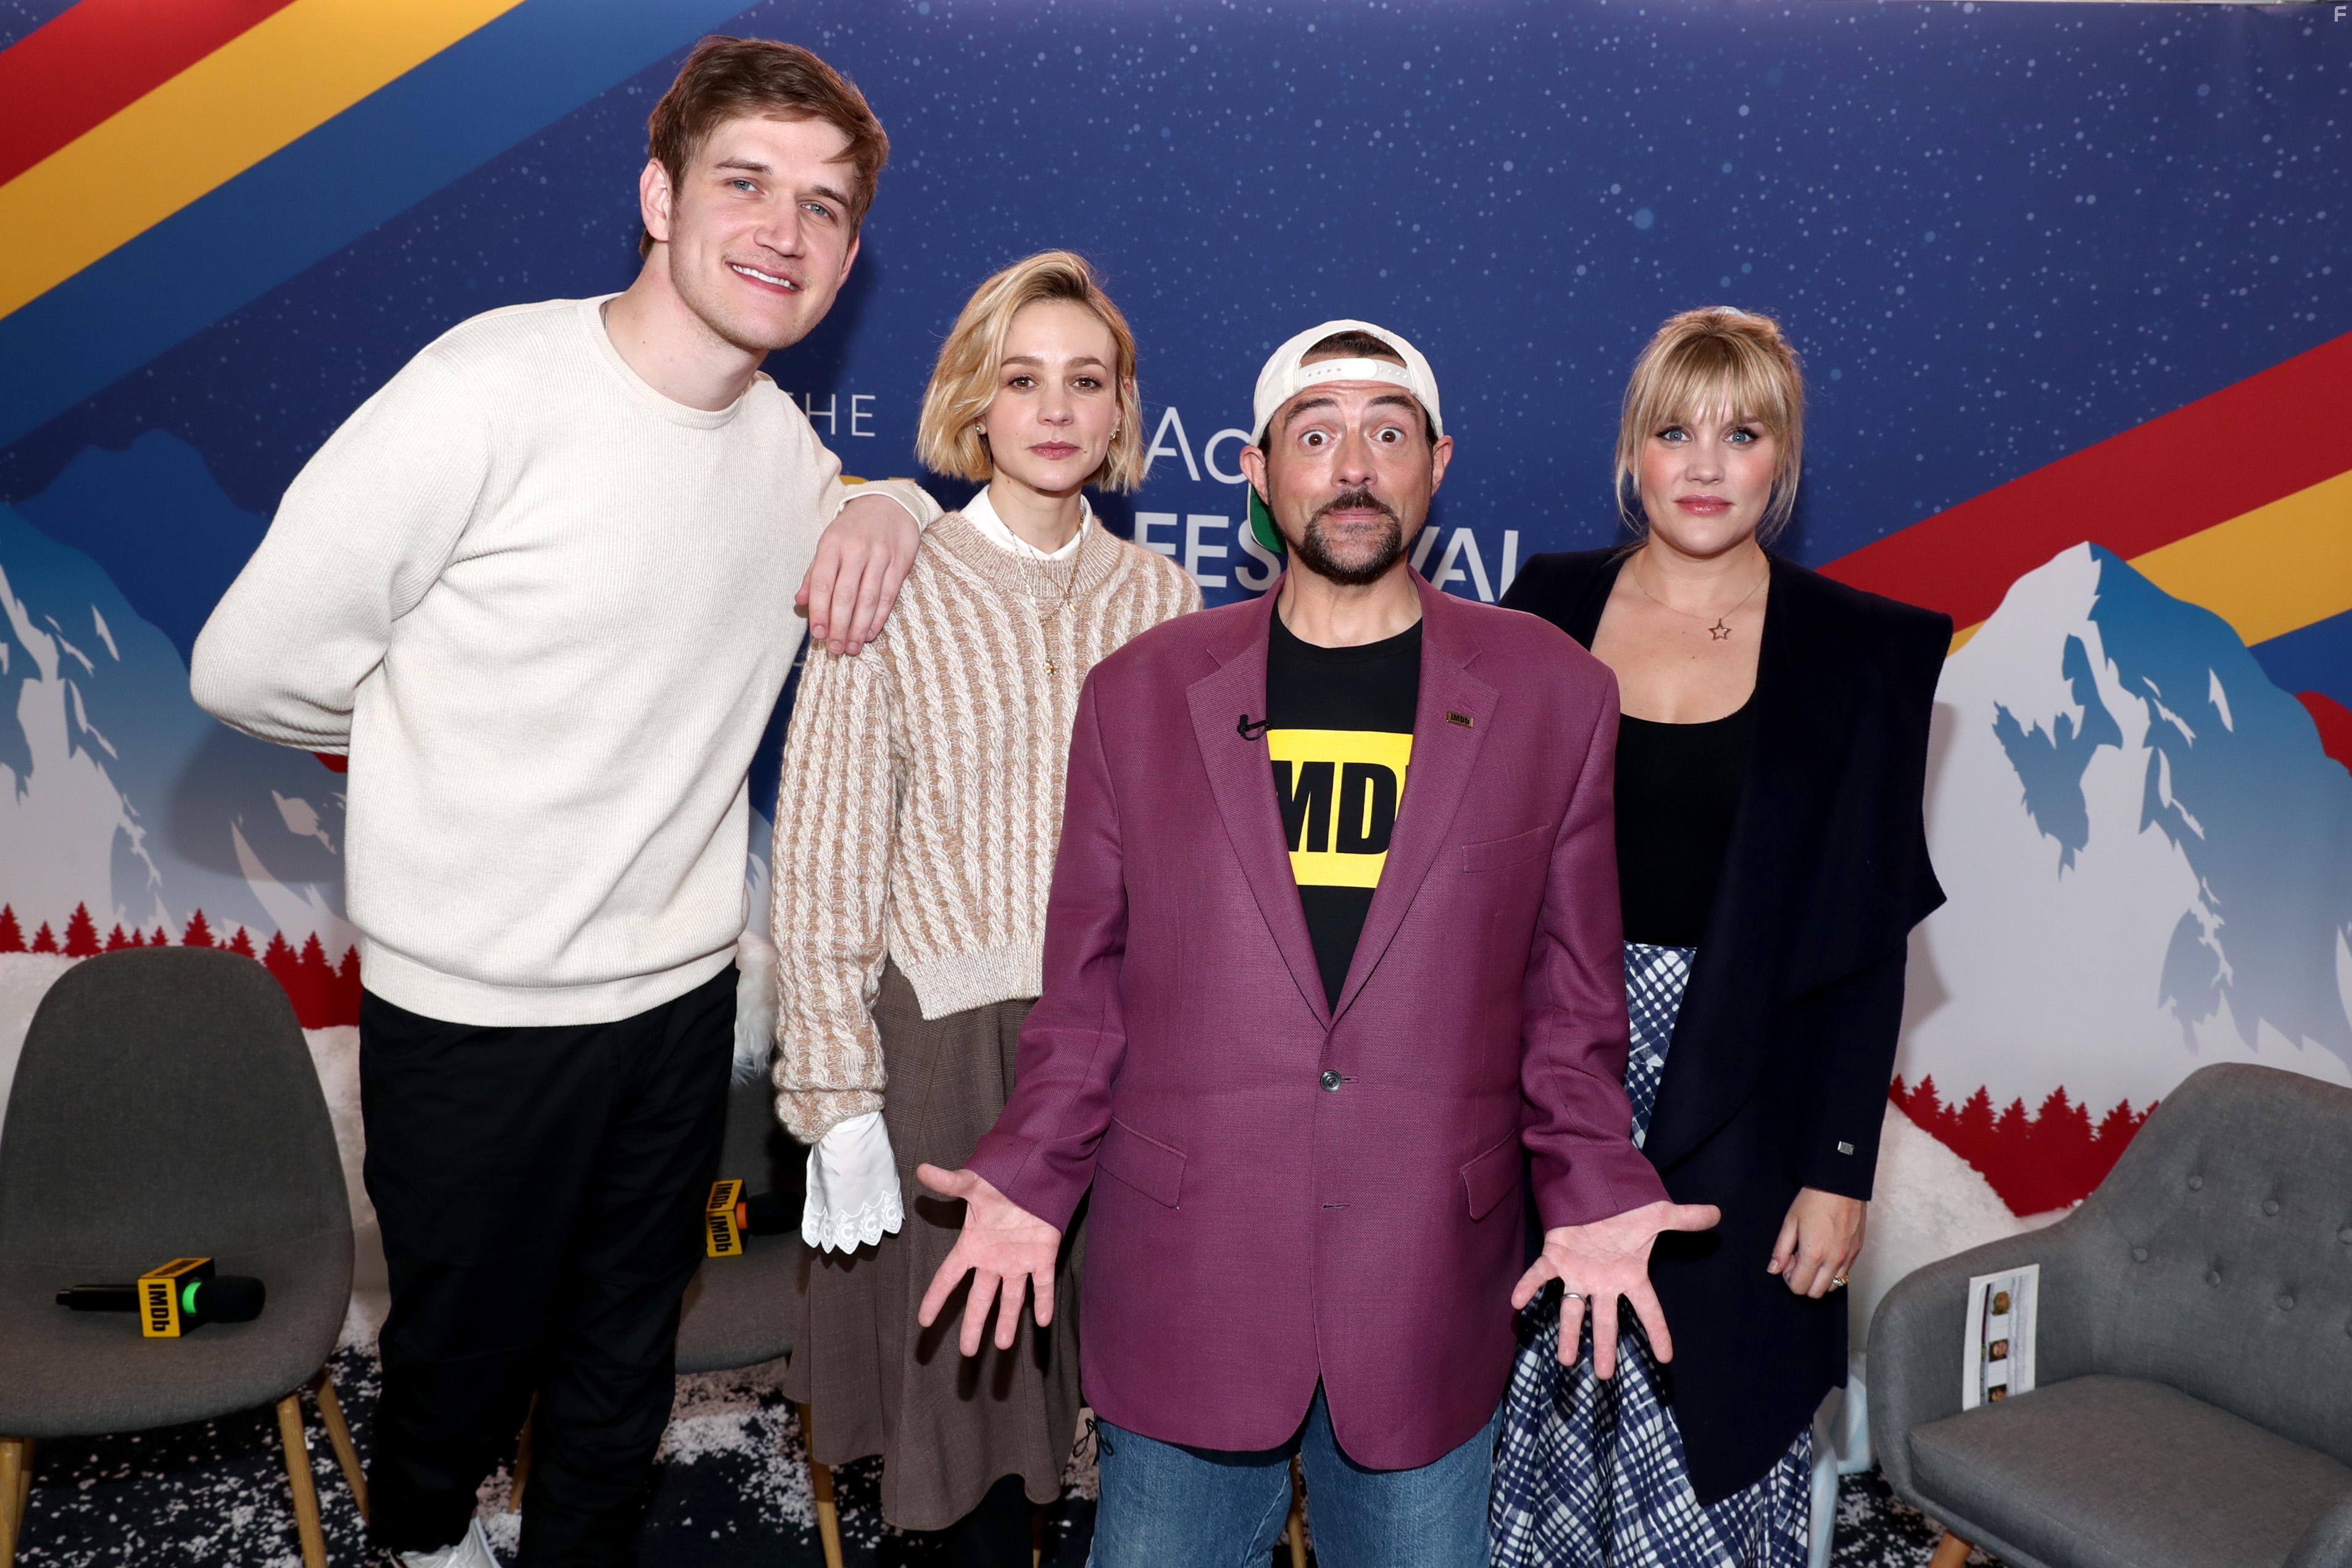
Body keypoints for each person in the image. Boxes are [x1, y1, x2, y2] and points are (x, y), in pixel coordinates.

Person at [189, 37, 938, 1568]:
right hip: (472, 1011)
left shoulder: (791, 454)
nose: (782, 232)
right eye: (745, 183)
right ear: (657, 193)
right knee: (458, 1376)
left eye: (824, 206)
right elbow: (246, 669)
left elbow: (874, 515)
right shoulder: (484, 390)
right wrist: (427, 749)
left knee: (619, 1382)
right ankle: (419, 1544)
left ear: (852, 253)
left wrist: (899, 502)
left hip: (675, 1004)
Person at [908, 320, 1721, 1568]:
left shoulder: (1553, 692)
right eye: (1318, 433)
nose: (1353, 465)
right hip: (1189, 1269)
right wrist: (1029, 1170)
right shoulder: (1140, 691)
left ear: (1436, 463)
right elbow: (1086, 999)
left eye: (1387, 433)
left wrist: (1597, 1181)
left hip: (1426, 1284)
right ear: (1257, 466)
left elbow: (1570, 1007)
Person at [1490, 307, 1950, 1566]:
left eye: (1740, 433)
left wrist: (1840, 1166)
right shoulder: (1545, 602)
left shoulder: (1863, 649)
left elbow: (1866, 937)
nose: (1703, 463)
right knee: (1543, 1411)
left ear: (1782, 458)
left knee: (1708, 1431)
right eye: (1672, 430)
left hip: (1750, 1091)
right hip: (1549, 1074)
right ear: (1631, 452)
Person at [770, 251, 1198, 1563]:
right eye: (1023, 380)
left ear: (1124, 408)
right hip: (950, 1051)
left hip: (1131, 1051)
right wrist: (835, 1093)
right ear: (975, 403)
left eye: (1086, 379)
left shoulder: (1169, 600)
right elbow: (824, 856)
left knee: (1128, 1421)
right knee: (964, 1461)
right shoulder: (893, 581)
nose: (1056, 409)